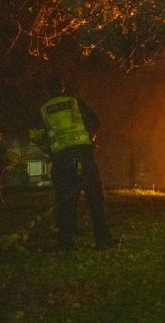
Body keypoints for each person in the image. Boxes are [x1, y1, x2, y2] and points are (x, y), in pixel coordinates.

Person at [32, 77, 117, 251]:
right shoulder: (76, 103)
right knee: (95, 199)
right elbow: (95, 122)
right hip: (84, 156)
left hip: (61, 160)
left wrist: (49, 149)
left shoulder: (42, 110)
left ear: (46, 90)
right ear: (62, 87)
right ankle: (103, 241)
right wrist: (89, 136)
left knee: (65, 201)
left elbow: (36, 136)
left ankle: (66, 243)